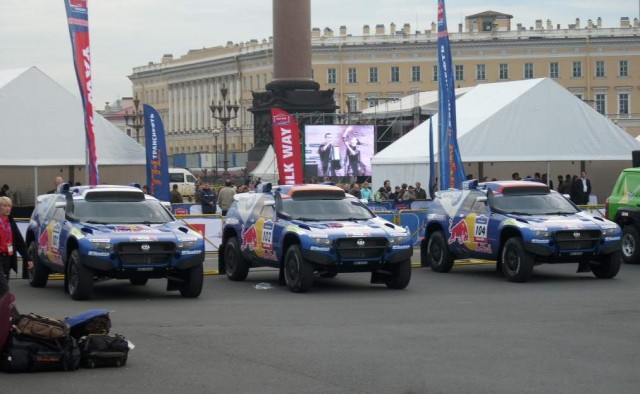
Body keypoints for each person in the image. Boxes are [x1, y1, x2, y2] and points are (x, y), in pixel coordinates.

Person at [0, 196, 31, 295]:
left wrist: (28, 259)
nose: (7, 208)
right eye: (5, 206)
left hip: (8, 258)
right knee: (4, 288)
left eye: (9, 206)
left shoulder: (11, 222)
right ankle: (12, 310)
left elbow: (20, 242)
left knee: (3, 288)